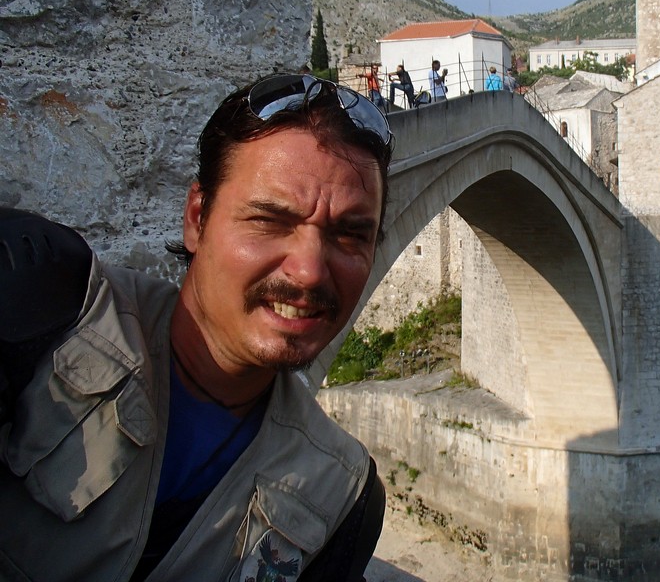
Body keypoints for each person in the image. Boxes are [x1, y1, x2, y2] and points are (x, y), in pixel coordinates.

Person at [0, 74, 393, 581]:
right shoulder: (45, 306)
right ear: (196, 218)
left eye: (350, 234)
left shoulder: (342, 496)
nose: (310, 270)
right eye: (270, 221)